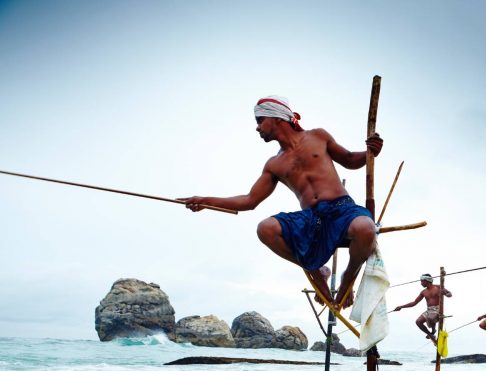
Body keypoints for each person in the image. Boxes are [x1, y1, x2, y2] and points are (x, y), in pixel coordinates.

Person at [179, 96, 383, 309]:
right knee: (265, 228)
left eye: (260, 120)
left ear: (276, 117)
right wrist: (204, 201)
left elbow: (350, 159)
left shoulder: (317, 136)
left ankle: (348, 278)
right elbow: (249, 201)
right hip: (312, 218)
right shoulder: (274, 164)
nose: (257, 128)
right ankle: (315, 269)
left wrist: (371, 152)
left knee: (366, 228)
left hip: (342, 209)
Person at [393, 274, 452, 344]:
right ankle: (431, 334)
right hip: (429, 310)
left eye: (422, 281)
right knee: (418, 322)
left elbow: (450, 294)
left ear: (427, 280)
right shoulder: (423, 292)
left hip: (437, 309)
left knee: (430, 318)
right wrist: (401, 307)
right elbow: (414, 302)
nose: (421, 283)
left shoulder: (439, 287)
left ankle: (433, 331)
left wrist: (446, 293)